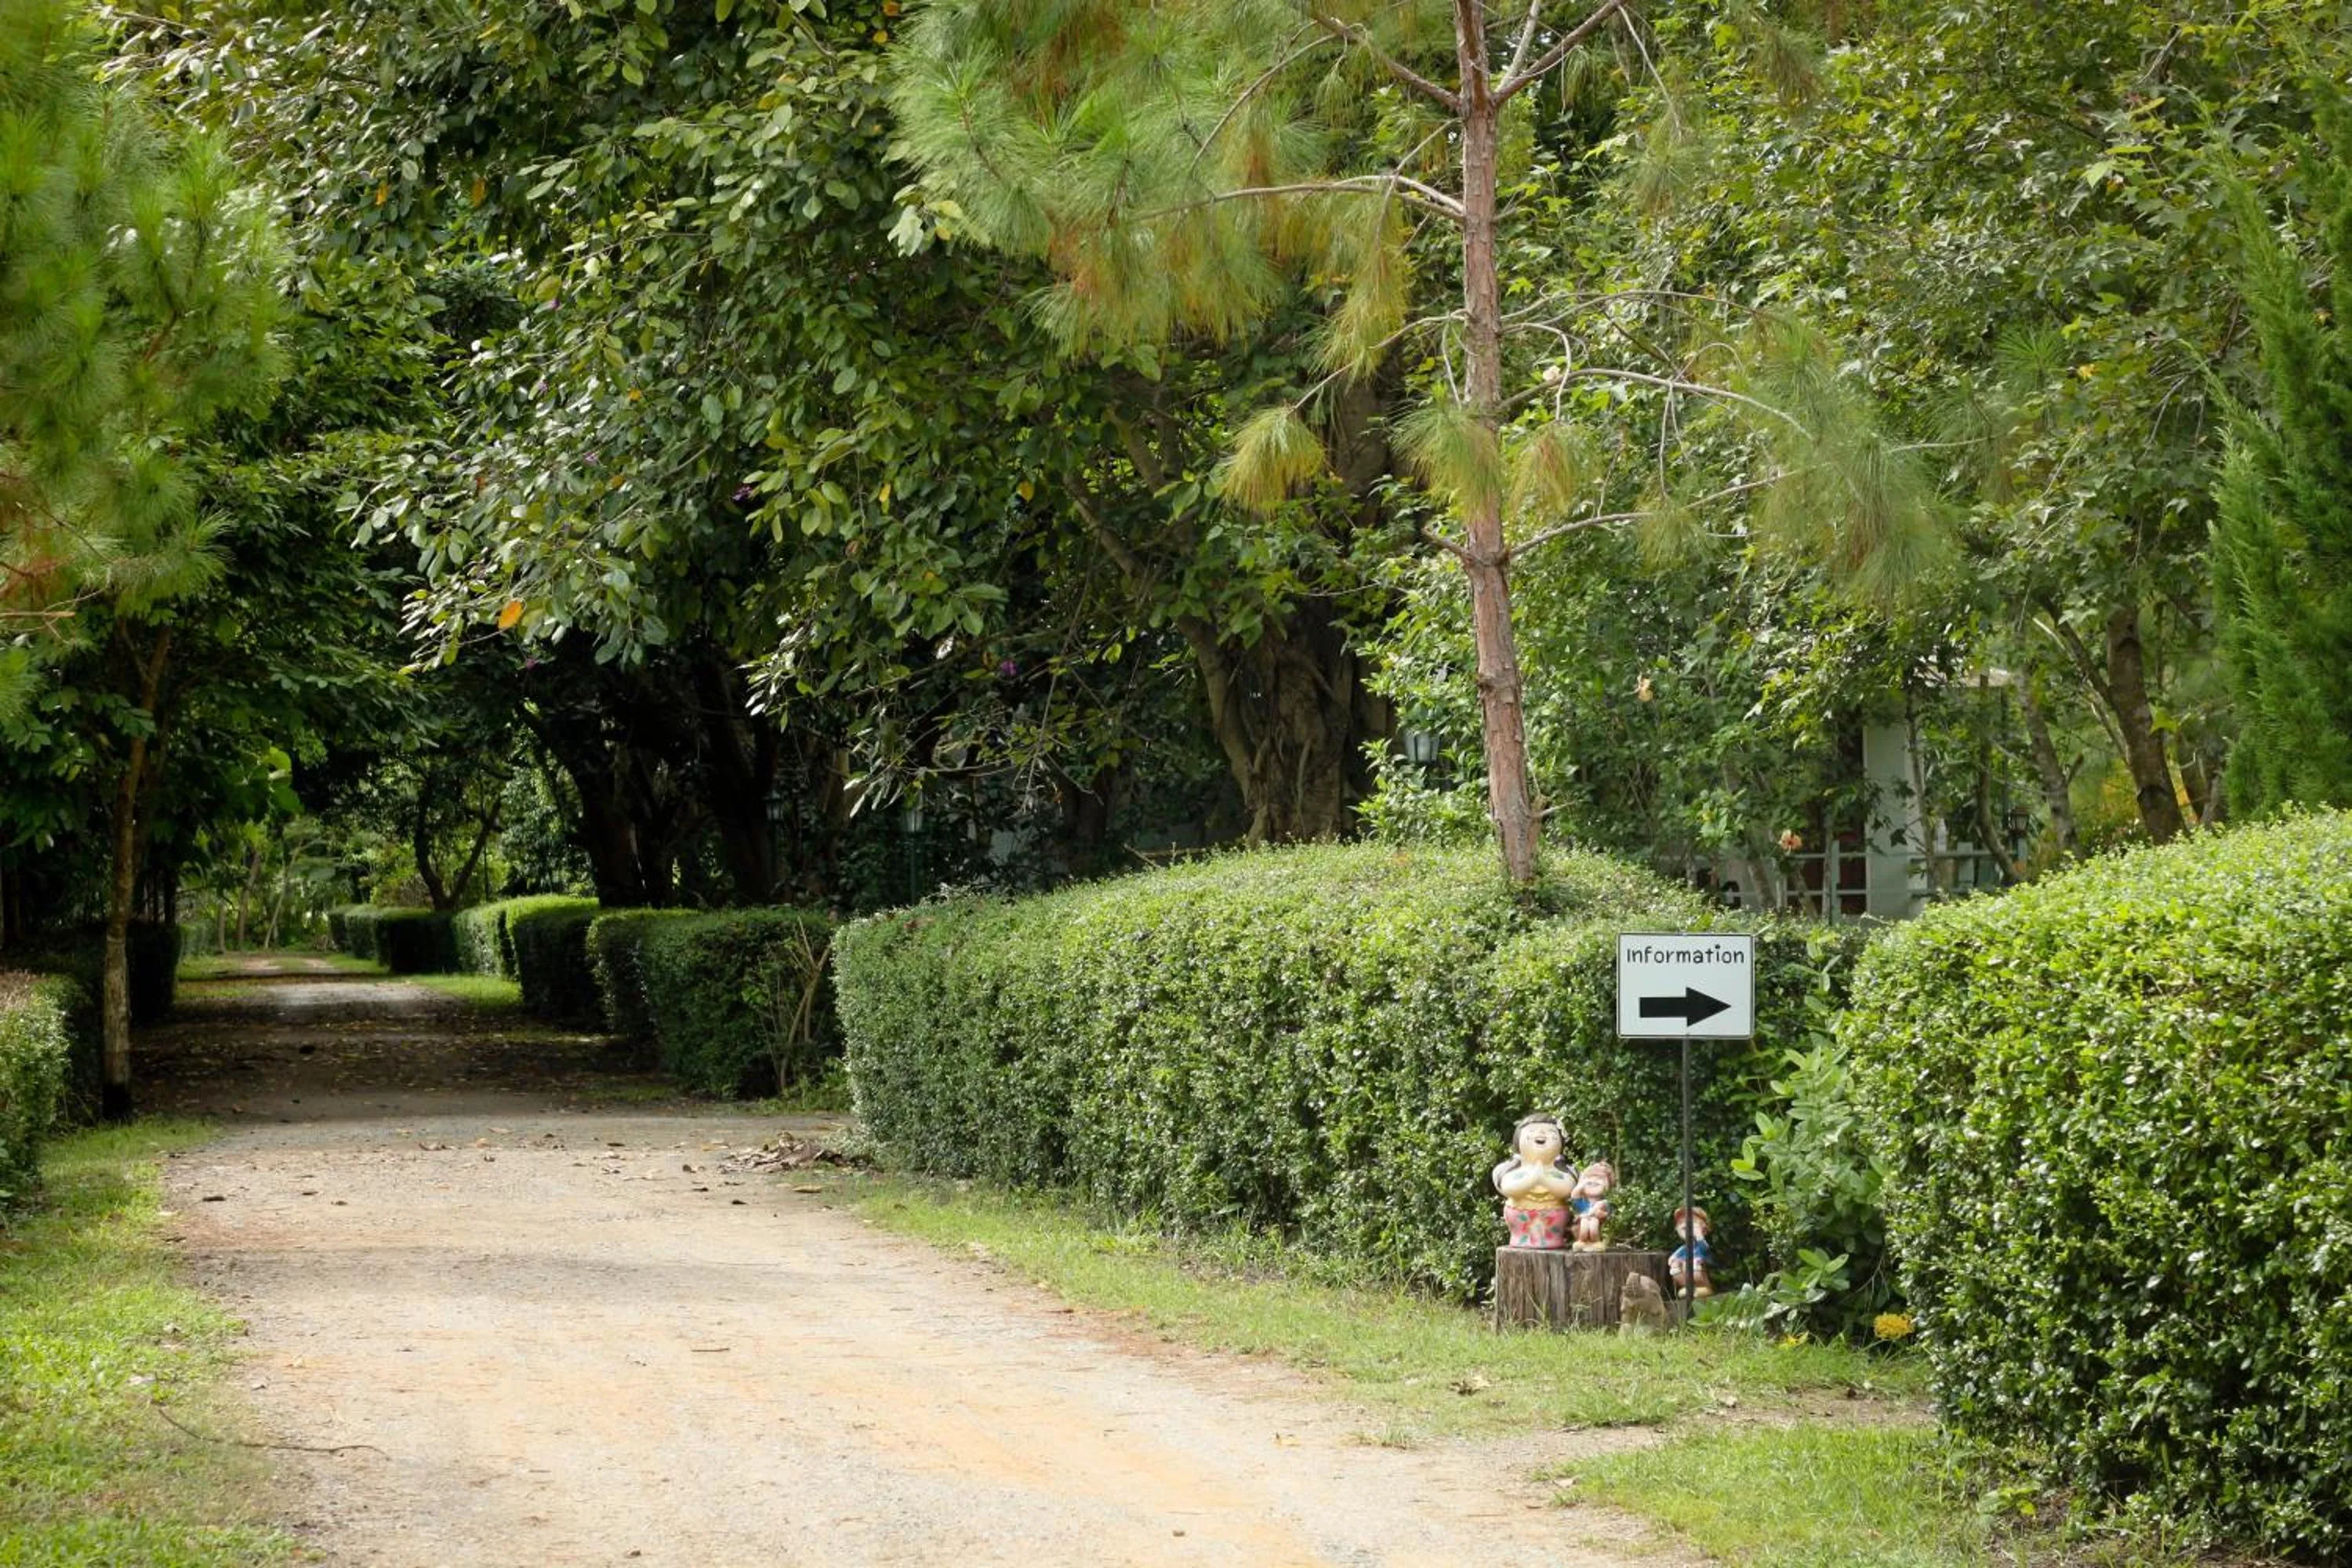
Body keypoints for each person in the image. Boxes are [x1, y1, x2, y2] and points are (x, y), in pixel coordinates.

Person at [1491, 1113, 1577, 1249]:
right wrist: (1533, 1179)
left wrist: (1543, 1178)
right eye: (1532, 1131)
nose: (1541, 1133)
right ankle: (1521, 1239)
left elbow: (1567, 1190)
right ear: (1518, 1140)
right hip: (1519, 1217)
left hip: (1554, 1216)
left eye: (1550, 1132)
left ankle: (1553, 1239)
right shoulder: (1514, 1170)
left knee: (1553, 1228)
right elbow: (1508, 1187)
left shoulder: (1563, 1172)